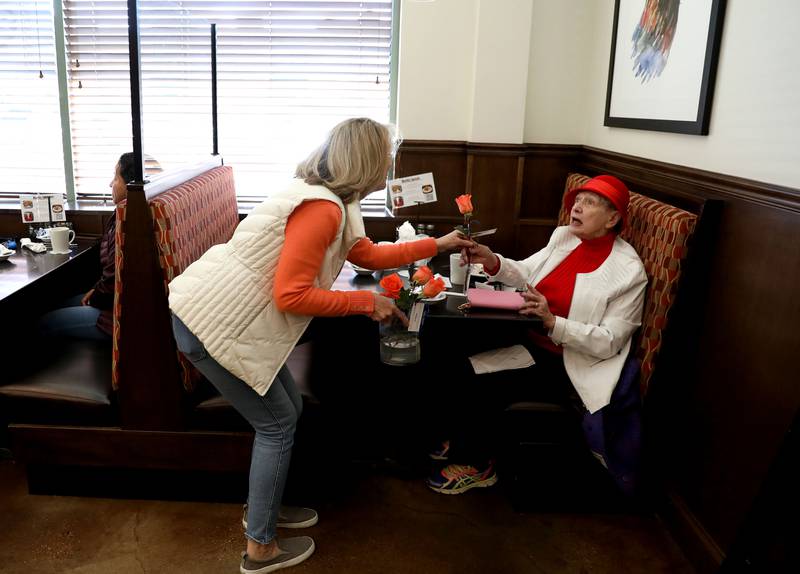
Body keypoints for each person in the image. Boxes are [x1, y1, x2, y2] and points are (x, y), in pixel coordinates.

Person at [167, 118, 472, 573]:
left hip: (224, 320)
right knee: (277, 425)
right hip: (213, 325)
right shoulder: (322, 208)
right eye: (385, 157)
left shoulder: (335, 200)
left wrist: (438, 243)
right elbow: (290, 294)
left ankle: (263, 511)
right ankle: (260, 548)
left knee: (287, 412)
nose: (388, 166)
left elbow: (364, 253)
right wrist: (366, 302)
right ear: (368, 161)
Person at [426, 175, 648, 495]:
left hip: (569, 363)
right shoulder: (566, 237)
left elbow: (610, 340)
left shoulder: (628, 271)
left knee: (481, 376)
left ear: (613, 218)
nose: (577, 207)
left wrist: (553, 321)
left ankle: (479, 465)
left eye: (589, 202)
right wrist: (492, 259)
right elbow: (528, 272)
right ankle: (464, 435)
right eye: (577, 200)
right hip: (529, 338)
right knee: (454, 354)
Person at [38, 152, 137, 342]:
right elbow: (113, 277)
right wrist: (96, 289)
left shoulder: (127, 220)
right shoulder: (129, 212)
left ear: (131, 184)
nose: (111, 184)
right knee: (60, 304)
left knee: (44, 322)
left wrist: (96, 296)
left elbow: (116, 278)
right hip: (118, 302)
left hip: (120, 316)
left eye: (116, 178)